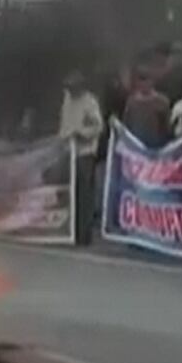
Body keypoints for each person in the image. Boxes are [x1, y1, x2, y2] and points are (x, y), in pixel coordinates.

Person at [58, 70, 103, 246]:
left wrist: (82, 133)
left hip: (84, 153)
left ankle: (84, 235)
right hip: (68, 152)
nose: (70, 90)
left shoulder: (89, 102)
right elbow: (64, 123)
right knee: (70, 193)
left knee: (84, 194)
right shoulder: (67, 100)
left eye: (73, 87)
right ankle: (71, 231)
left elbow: (97, 126)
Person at [122, 67, 171, 149]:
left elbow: (166, 127)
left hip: (156, 146)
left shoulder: (162, 102)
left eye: (146, 80)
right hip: (135, 145)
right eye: (141, 80)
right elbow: (126, 124)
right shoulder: (131, 102)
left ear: (153, 81)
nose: (144, 84)